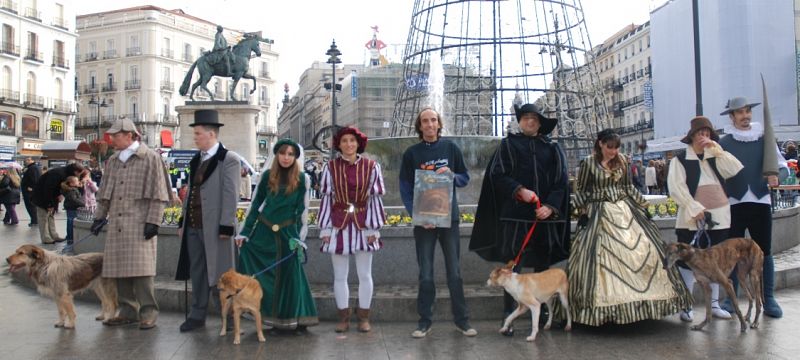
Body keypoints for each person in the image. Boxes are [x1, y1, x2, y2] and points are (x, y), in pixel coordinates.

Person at [569, 129, 692, 326]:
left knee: (643, 248)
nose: (613, 151)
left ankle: (643, 306)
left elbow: (628, 187)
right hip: (599, 212)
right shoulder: (588, 163)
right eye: (610, 147)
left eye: (616, 148)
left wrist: (643, 206)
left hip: (625, 211)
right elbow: (582, 190)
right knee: (599, 256)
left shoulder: (622, 161)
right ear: (600, 144)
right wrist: (579, 211)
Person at [469, 103, 570, 336]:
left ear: (540, 122)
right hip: (515, 217)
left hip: (543, 217)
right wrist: (519, 190)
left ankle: (542, 312)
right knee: (512, 266)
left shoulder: (552, 148)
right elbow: (497, 175)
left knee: (543, 264)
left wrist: (550, 207)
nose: (530, 121)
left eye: (534, 118)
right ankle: (508, 314)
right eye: (525, 117)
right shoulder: (508, 145)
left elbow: (561, 181)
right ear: (520, 121)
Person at [399, 107, 477, 338]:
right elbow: (405, 187)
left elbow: (465, 178)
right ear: (420, 126)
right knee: (425, 273)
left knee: (455, 272)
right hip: (424, 222)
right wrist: (417, 215)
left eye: (433, 120)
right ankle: (424, 321)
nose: (430, 124)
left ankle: (462, 320)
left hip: (449, 218)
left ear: (439, 124)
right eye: (425, 121)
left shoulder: (451, 149)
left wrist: (452, 175)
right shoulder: (411, 153)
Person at [90, 118, 171, 330]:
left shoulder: (150, 158)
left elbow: (159, 194)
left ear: (130, 135)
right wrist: (99, 217)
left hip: (139, 222)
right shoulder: (113, 161)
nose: (112, 140)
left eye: (116, 136)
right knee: (120, 271)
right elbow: (104, 193)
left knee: (142, 272)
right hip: (117, 224)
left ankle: (148, 312)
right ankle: (128, 311)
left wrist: (153, 221)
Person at [235, 138, 318, 331]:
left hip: (288, 235)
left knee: (291, 276)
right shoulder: (266, 177)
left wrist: (299, 239)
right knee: (263, 277)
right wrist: (244, 233)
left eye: (290, 154)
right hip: (264, 234)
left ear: (295, 157)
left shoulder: (303, 179)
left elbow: (302, 212)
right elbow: (255, 205)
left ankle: (295, 319)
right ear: (276, 155)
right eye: (282, 153)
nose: (286, 157)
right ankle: (268, 317)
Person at [667, 116, 744, 322]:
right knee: (687, 261)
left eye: (707, 133)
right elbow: (676, 187)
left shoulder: (715, 157)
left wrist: (716, 149)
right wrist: (694, 207)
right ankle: (687, 305)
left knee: (716, 262)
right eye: (701, 133)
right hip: (691, 220)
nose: (704, 136)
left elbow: (735, 168)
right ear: (692, 136)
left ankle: (715, 304)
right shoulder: (680, 160)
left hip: (719, 218)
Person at [718, 96, 788, 318]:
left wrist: (777, 177)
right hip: (734, 204)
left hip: (760, 202)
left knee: (764, 251)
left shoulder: (765, 138)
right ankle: (730, 299)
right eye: (740, 112)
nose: (745, 116)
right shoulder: (724, 143)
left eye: (747, 111)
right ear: (732, 116)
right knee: (731, 253)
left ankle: (768, 299)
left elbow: (783, 167)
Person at [175, 110, 242, 332]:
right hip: (194, 226)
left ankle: (230, 317)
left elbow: (231, 195)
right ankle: (197, 315)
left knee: (222, 274)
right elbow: (190, 193)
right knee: (197, 272)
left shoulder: (228, 159)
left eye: (198, 134)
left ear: (211, 134)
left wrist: (226, 225)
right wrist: (182, 222)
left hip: (216, 228)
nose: (194, 137)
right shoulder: (197, 159)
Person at [318, 126, 385, 333]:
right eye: (344, 141)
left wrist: (374, 227)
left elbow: (375, 200)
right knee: (340, 275)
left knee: (365, 274)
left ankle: (363, 316)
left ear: (358, 143)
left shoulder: (372, 166)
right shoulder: (330, 167)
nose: (349, 144)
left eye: (352, 140)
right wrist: (325, 229)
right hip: (339, 224)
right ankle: (343, 317)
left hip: (364, 223)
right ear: (339, 144)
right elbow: (326, 199)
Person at [31, 163, 85, 244]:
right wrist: (49, 204)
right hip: (41, 196)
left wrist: (58, 197)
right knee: (43, 217)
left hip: (50, 196)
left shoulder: (64, 172)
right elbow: (48, 188)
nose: (78, 175)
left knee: (50, 216)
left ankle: (54, 235)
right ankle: (46, 238)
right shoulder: (58, 173)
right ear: (76, 171)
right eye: (79, 173)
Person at [61, 176, 85, 244]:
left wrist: (81, 187)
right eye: (77, 181)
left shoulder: (71, 189)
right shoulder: (72, 191)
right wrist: (83, 204)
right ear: (71, 184)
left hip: (70, 208)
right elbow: (74, 200)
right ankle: (71, 238)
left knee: (70, 222)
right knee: (71, 223)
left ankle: (69, 237)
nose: (78, 182)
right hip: (73, 208)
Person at [21, 157, 40, 226]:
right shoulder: (33, 167)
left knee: (30, 206)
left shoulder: (33, 168)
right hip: (30, 190)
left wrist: (31, 187)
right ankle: (34, 220)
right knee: (31, 206)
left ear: (30, 160)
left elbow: (34, 179)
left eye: (26, 161)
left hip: (29, 191)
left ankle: (35, 220)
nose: (25, 162)